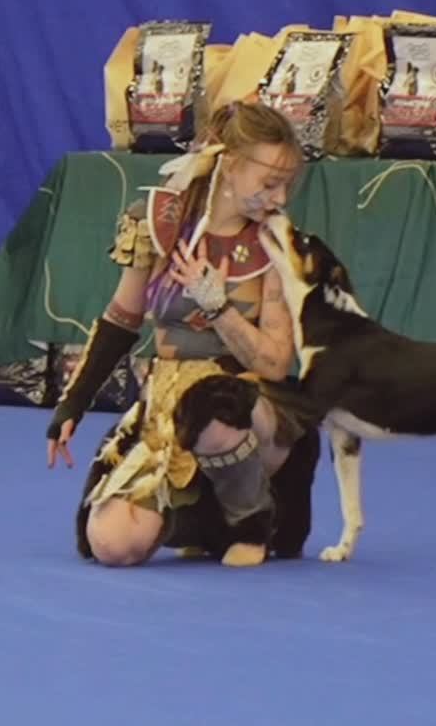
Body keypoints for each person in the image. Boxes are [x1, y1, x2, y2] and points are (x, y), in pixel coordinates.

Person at [46, 101, 321, 568]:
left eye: (286, 185)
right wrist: (72, 403)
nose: (279, 198)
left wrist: (218, 307)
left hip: (251, 407)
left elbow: (275, 363)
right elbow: (121, 319)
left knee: (214, 409)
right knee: (112, 544)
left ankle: (252, 521)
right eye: (269, 183)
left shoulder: (277, 245)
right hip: (166, 405)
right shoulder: (158, 222)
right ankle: (203, 520)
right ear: (230, 166)